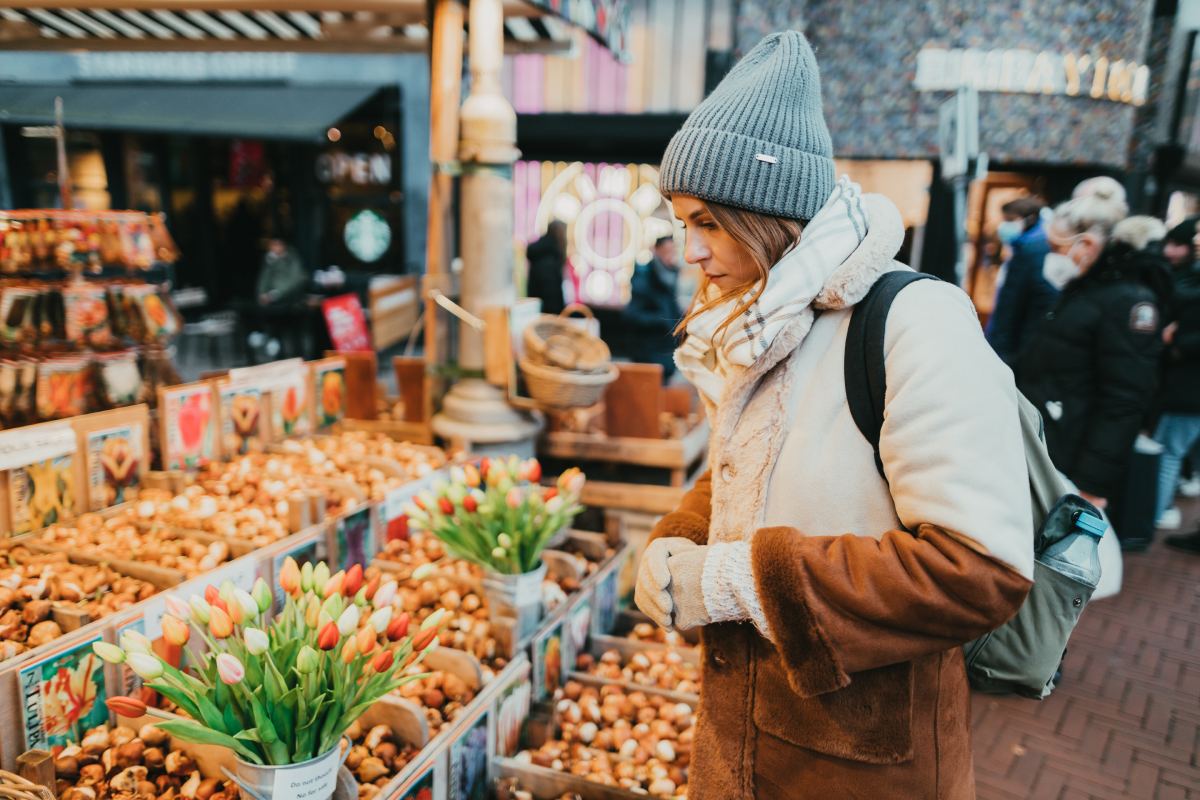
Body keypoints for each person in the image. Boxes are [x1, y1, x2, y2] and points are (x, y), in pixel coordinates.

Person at [634, 32, 1033, 799]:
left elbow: (979, 570)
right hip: (750, 735)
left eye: (708, 223)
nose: (689, 251)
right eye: (683, 221)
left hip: (859, 761)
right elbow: (744, 470)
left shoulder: (916, 321)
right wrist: (677, 540)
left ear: (769, 212)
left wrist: (733, 580)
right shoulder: (761, 317)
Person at [1015, 194, 1168, 514]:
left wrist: (1092, 485)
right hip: (1048, 442)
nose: (1053, 256)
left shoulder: (1127, 301)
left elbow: (1124, 400)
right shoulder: (1084, 289)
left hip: (1069, 458)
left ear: (1085, 245)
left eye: (1057, 248)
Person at [1152, 217, 1200, 546]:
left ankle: (1157, 510)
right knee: (1173, 446)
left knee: (1170, 448)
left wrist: (1177, 341)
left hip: (1189, 385)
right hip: (1186, 383)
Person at [985, 196, 1053, 365]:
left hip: (1012, 348)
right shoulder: (1024, 247)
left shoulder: (1030, 252)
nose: (1004, 225)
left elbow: (1011, 305)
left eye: (1010, 220)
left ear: (1029, 219)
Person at [624, 235, 684, 380]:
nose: (671, 255)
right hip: (648, 352)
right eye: (667, 251)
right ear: (656, 250)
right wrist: (663, 320)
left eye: (673, 251)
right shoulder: (644, 275)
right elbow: (632, 315)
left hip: (666, 349)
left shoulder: (670, 274)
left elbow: (670, 307)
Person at [526, 220, 568, 314]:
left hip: (536, 307)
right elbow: (552, 294)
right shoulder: (551, 256)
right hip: (548, 312)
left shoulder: (541, 251)